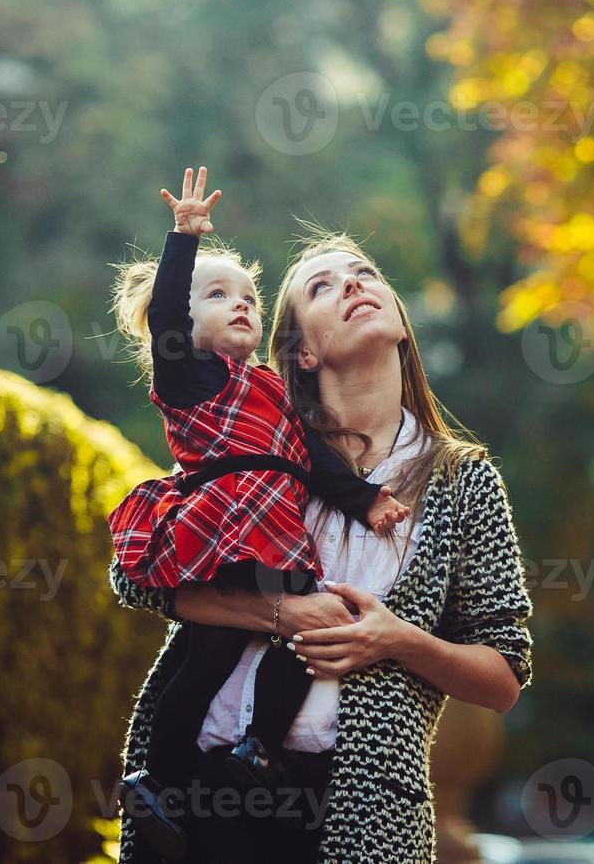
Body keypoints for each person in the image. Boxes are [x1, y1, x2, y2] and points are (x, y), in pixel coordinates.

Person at [109, 226, 535, 863]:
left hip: (363, 806)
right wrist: (281, 614)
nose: (354, 284)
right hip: (199, 785)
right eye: (323, 285)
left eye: (365, 272)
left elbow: (504, 677)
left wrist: (394, 639)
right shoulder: (252, 448)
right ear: (301, 351)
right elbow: (138, 577)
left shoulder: (462, 481)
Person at [107, 168, 411, 859]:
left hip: (274, 532)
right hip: (221, 521)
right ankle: (160, 779)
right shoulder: (188, 376)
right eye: (217, 296)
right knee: (207, 655)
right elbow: (164, 320)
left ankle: (257, 750)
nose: (242, 305)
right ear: (185, 319)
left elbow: (314, 464)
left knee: (306, 634)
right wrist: (184, 242)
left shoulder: (273, 391)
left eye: (249, 296)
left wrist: (366, 501)